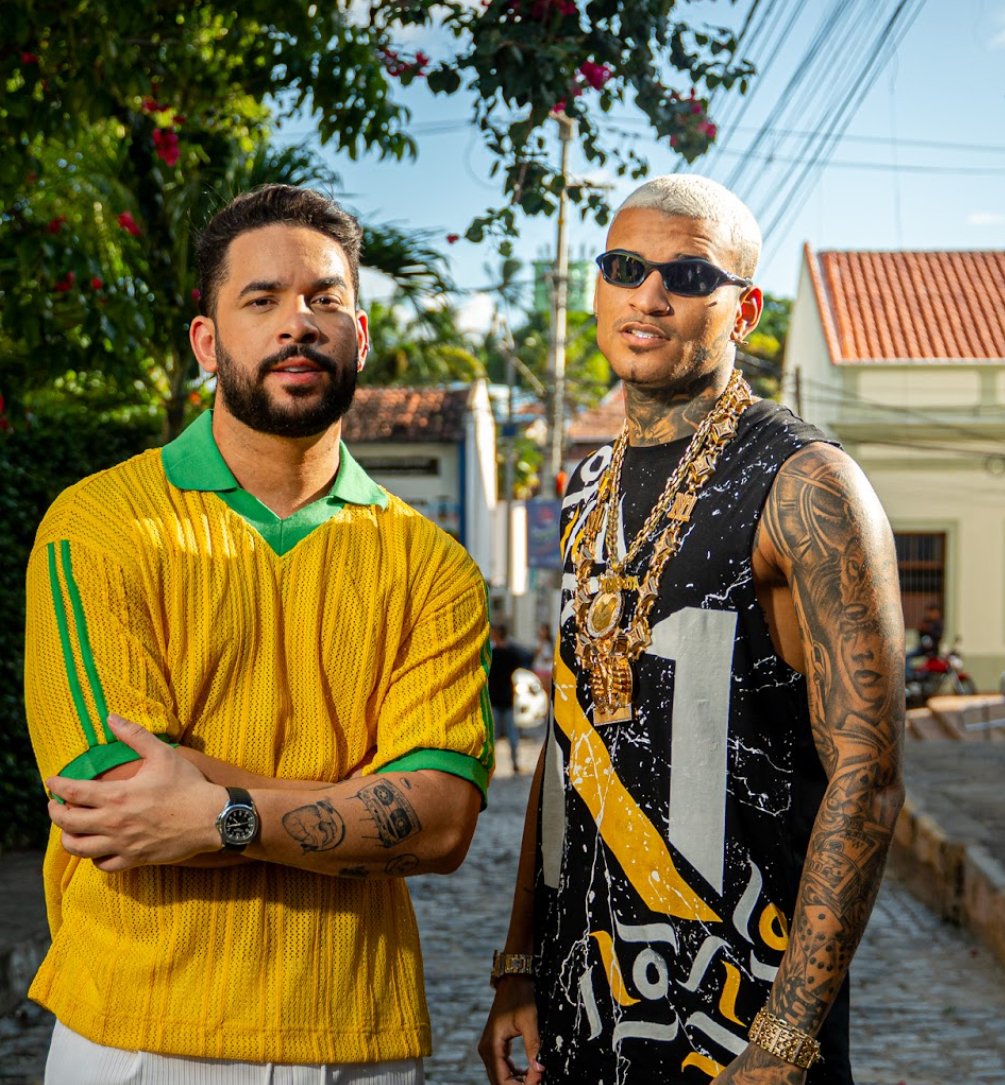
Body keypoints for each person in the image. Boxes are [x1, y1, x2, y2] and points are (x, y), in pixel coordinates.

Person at [24, 184, 493, 1085]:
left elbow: (439, 823)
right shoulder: (99, 523)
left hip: (358, 1036)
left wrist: (218, 813)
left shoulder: (432, 564)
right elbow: (113, 798)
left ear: (359, 336)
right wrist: (362, 794)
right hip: (139, 1032)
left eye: (324, 299)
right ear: (208, 342)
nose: (298, 323)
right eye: (262, 299)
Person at [479, 175, 905, 1085]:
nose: (648, 294)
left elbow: (866, 779)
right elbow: (567, 739)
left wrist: (785, 1040)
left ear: (743, 309)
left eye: (687, 275)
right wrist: (518, 961)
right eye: (623, 267)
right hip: (582, 1000)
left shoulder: (805, 483)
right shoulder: (585, 487)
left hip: (739, 1013)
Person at [488, 622, 530, 773]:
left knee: (493, 736)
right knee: (511, 735)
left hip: (496, 699)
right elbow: (525, 658)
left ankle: (490, 765)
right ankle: (514, 762)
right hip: (506, 698)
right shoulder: (510, 654)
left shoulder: (492, 654)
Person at [531, 623, 554, 698]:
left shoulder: (550, 643)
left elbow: (552, 655)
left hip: (548, 667)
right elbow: (536, 653)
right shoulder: (537, 642)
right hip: (539, 666)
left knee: (547, 688)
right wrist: (541, 642)